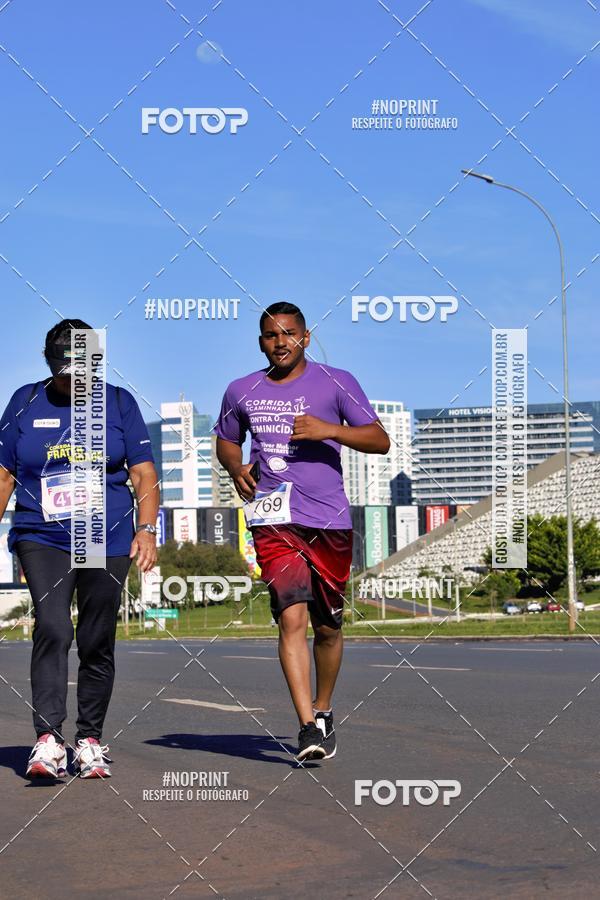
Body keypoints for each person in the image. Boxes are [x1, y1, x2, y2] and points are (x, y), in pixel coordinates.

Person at [216, 302, 390, 761]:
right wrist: (235, 468)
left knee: (328, 626)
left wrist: (327, 429)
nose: (281, 342)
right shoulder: (242, 389)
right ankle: (307, 727)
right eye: (272, 336)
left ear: (305, 337)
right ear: (261, 343)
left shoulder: (337, 381)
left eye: (289, 334)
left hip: (328, 518)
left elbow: (379, 439)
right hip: (273, 518)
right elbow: (226, 438)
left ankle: (325, 707)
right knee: (291, 616)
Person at [0, 319, 160, 779]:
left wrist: (146, 529)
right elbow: (4, 475)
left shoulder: (118, 403)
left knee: (95, 638)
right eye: (63, 367)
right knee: (53, 626)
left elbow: (143, 473)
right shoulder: (25, 401)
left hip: (104, 535)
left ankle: (89, 739)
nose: (73, 379)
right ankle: (48, 739)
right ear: (49, 363)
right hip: (42, 534)